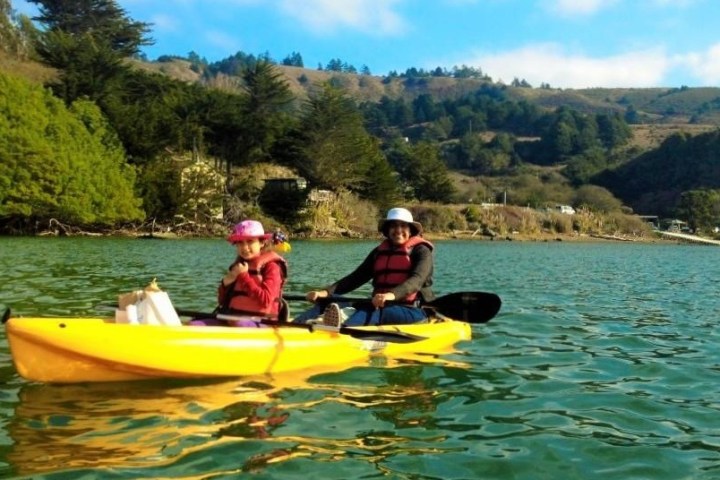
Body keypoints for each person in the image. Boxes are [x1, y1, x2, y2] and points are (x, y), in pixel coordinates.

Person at [293, 207, 434, 327]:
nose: (398, 230)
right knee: (332, 300)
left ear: (410, 230)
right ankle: (295, 325)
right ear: (387, 230)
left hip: (412, 309)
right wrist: (325, 293)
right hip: (381, 304)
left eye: (403, 226)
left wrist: (391, 295)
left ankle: (343, 331)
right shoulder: (379, 252)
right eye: (393, 226)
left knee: (372, 309)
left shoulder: (421, 251)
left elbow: (417, 280)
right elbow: (356, 277)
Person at [190, 220, 288, 327]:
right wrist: (225, 284)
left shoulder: (271, 266)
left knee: (237, 323)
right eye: (240, 242)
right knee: (192, 324)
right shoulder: (239, 266)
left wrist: (244, 277)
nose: (244, 247)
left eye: (250, 241)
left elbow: (266, 300)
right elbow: (222, 301)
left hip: (263, 323)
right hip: (233, 319)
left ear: (262, 243)